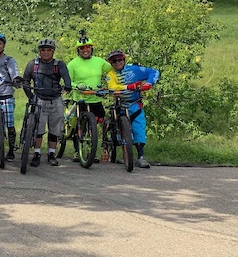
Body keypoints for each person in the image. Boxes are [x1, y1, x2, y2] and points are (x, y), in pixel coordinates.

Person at [105, 49, 160, 168]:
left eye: (120, 59)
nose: (117, 62)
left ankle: (141, 157)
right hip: (121, 104)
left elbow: (154, 72)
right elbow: (113, 88)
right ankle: (123, 152)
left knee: (139, 128)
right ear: (111, 63)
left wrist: (149, 84)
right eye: (114, 61)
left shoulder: (134, 70)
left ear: (124, 59)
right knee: (118, 129)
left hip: (135, 104)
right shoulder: (110, 74)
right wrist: (129, 86)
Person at [21, 38, 72, 167]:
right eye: (43, 50)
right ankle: (37, 154)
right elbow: (25, 81)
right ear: (39, 51)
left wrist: (67, 86)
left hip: (55, 100)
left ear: (53, 51)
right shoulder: (33, 64)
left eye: (48, 50)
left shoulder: (59, 64)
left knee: (54, 129)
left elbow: (66, 78)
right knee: (38, 129)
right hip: (39, 100)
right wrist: (30, 96)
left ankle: (51, 154)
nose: (45, 52)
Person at [66, 32, 112, 161]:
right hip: (80, 98)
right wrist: (77, 85)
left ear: (91, 48)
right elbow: (67, 81)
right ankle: (77, 152)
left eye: (87, 47)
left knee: (99, 124)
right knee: (79, 125)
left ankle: (99, 150)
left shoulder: (99, 61)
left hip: (95, 98)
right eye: (82, 48)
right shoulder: (73, 64)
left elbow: (113, 70)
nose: (85, 50)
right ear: (78, 50)